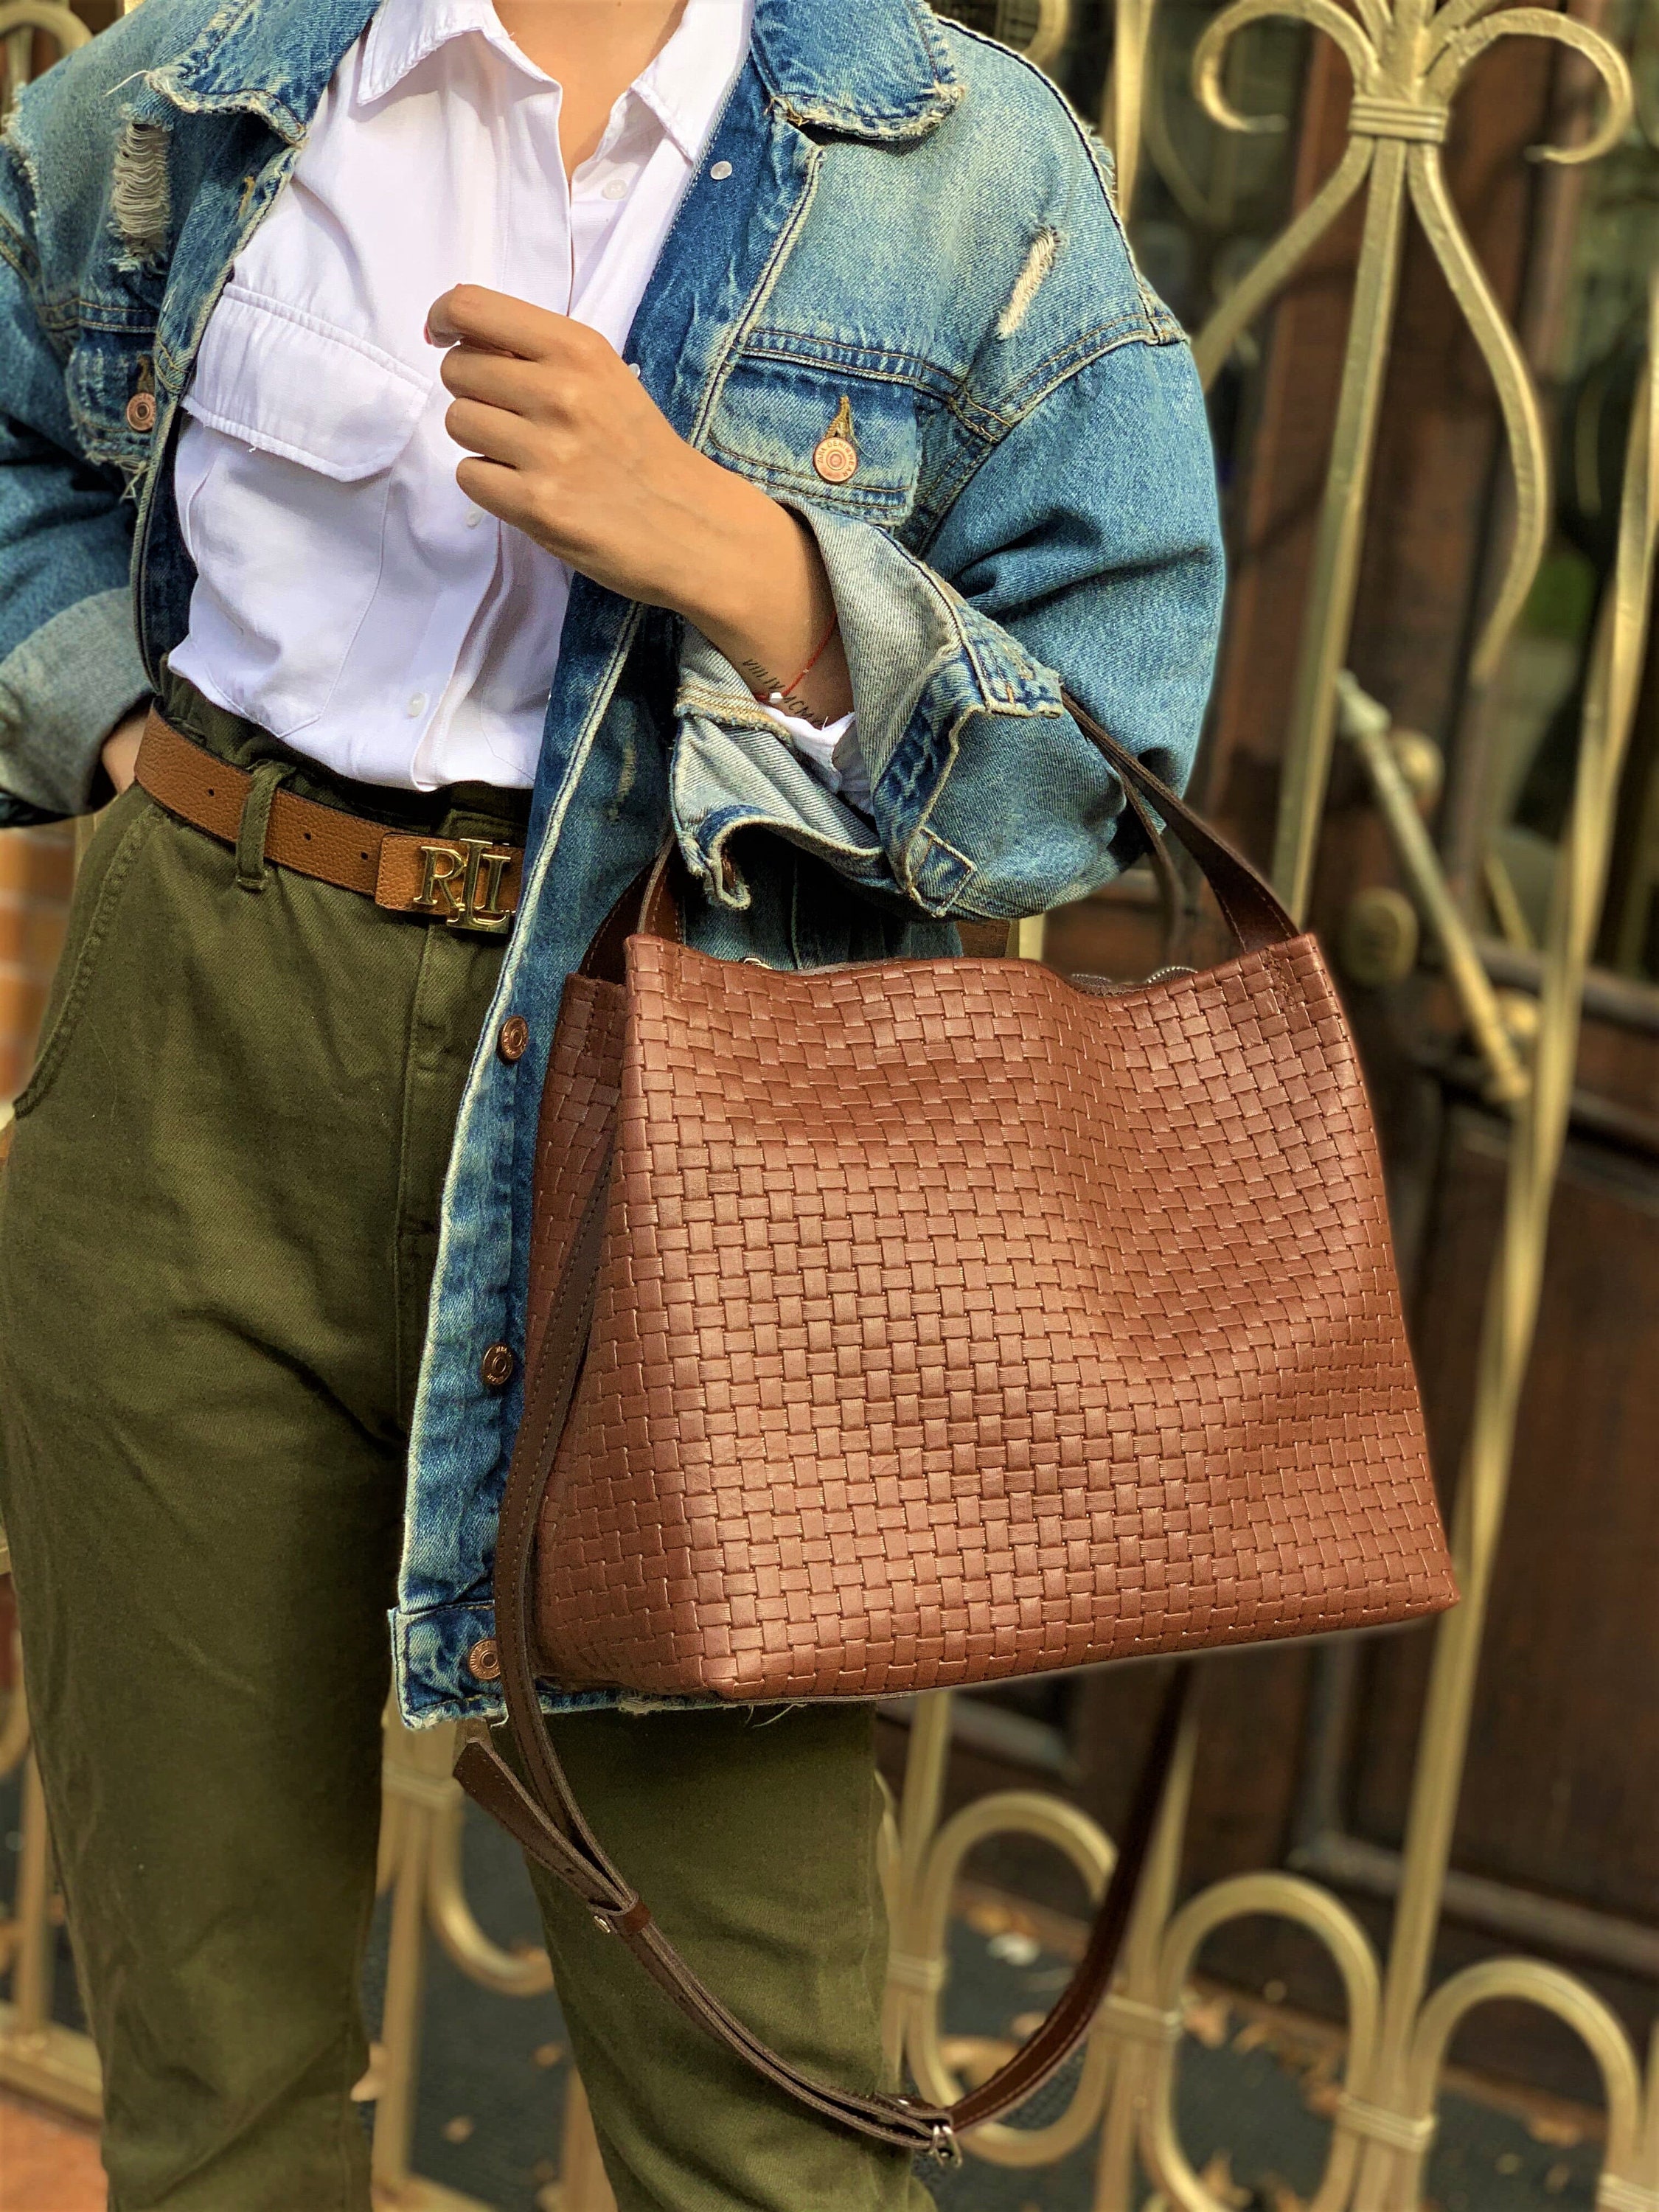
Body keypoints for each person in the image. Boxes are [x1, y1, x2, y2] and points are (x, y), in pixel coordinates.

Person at [0, 0, 1224, 2202]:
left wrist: (751, 564)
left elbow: (1107, 745)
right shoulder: (200, 82)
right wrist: (114, 730)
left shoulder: (962, 162)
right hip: (193, 1045)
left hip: (685, 1092)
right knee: (207, 2078)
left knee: (748, 2104)